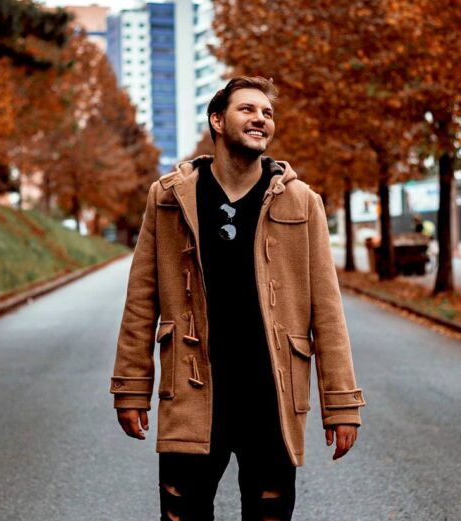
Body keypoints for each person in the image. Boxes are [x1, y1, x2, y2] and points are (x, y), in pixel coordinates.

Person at [110, 76, 365, 521]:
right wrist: (131, 389)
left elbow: (327, 310)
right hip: (191, 391)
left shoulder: (302, 202)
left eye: (267, 113)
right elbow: (140, 301)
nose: (260, 118)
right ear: (218, 121)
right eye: (247, 109)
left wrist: (341, 403)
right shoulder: (169, 198)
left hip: (271, 395)